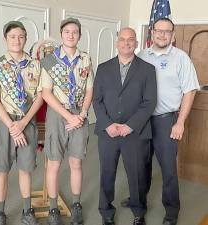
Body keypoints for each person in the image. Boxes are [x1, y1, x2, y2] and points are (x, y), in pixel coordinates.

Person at [120, 18, 199, 225]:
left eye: (167, 31)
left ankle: (172, 210)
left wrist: (180, 122)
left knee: (168, 169)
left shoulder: (181, 58)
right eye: (159, 31)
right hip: (142, 121)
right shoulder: (141, 56)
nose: (162, 35)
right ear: (151, 33)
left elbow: (190, 91)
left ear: (173, 34)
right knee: (140, 165)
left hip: (167, 121)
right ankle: (139, 201)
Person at [93, 27, 157, 225]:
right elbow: (97, 101)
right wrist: (108, 124)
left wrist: (130, 126)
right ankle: (106, 212)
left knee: (137, 174)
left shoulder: (147, 69)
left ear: (136, 44)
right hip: (108, 133)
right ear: (117, 43)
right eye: (122, 39)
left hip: (135, 133)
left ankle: (139, 212)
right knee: (107, 173)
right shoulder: (103, 68)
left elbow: (150, 101)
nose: (126, 43)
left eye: (131, 40)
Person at [0, 21, 43, 225]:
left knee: (25, 168)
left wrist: (22, 124)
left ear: (25, 38)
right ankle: (0, 212)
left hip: (27, 122)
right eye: (12, 36)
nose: (16, 40)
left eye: (20, 36)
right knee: (2, 169)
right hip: (5, 123)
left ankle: (27, 210)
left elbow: (39, 97)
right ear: (5, 39)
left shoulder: (35, 65)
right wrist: (12, 126)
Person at [41, 18, 93, 225]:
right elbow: (46, 93)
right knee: (53, 163)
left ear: (79, 35)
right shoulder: (51, 59)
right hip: (58, 114)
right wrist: (68, 116)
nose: (71, 35)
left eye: (75, 32)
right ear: (61, 34)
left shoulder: (86, 59)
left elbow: (89, 89)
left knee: (76, 162)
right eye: (67, 32)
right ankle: (53, 208)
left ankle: (76, 205)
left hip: (79, 114)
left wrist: (81, 115)